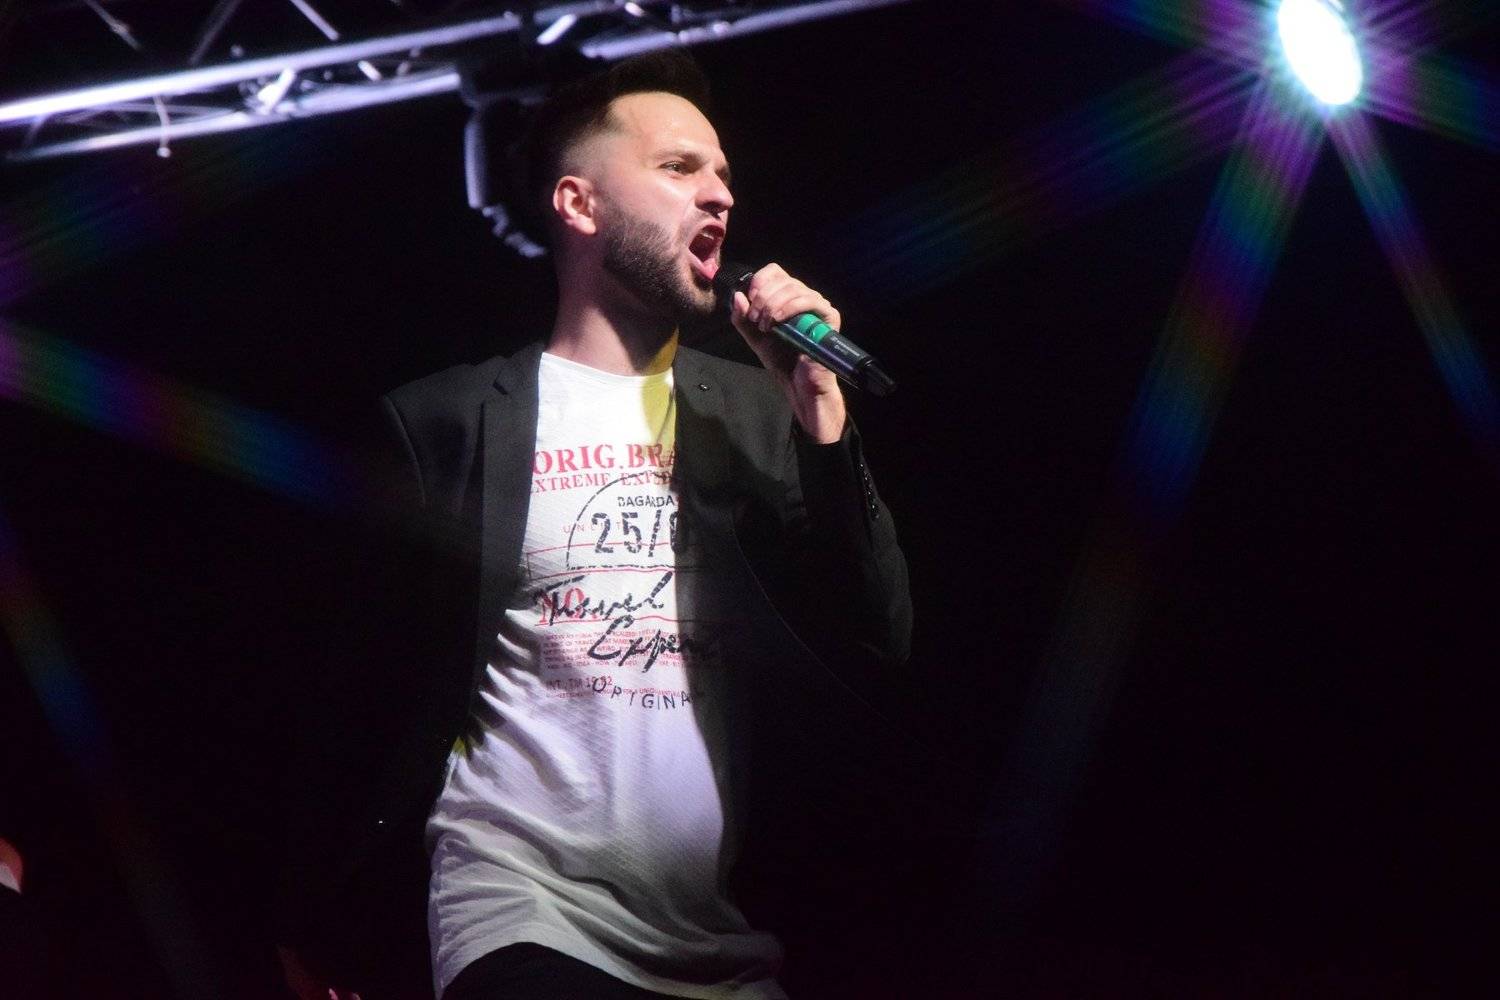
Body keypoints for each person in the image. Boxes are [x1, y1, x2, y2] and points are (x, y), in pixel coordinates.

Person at [277, 51, 910, 1000]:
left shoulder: (754, 412)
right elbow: (362, 684)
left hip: (720, 939)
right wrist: (314, 917)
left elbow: (877, 634)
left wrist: (821, 418)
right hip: (516, 909)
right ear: (579, 204)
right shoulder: (451, 422)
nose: (720, 194)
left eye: (723, 174)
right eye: (678, 167)